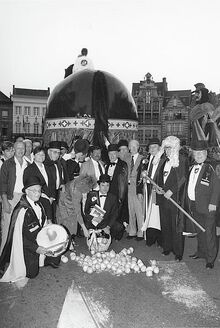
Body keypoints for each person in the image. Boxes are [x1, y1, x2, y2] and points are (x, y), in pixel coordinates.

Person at [0, 176, 60, 286]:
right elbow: (19, 238)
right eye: (34, 191)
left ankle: (45, 258)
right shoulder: (22, 211)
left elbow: (43, 224)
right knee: (32, 273)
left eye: (39, 190)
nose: (38, 194)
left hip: (38, 239)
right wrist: (36, 248)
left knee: (56, 258)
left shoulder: (39, 204)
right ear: (27, 192)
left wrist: (51, 237)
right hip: (26, 247)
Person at [181, 140, 220, 269]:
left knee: (209, 233)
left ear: (206, 153)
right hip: (195, 205)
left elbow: (217, 186)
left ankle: (210, 258)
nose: (198, 155)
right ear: (193, 154)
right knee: (200, 231)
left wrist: (213, 203)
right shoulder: (192, 167)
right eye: (196, 153)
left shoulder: (212, 167)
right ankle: (201, 252)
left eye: (201, 153)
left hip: (208, 206)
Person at [156, 136, 188, 261]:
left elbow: (183, 178)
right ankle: (167, 247)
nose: (167, 151)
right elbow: (160, 177)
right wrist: (158, 188)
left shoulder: (182, 160)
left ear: (175, 148)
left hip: (175, 199)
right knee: (165, 224)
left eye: (170, 148)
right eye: (166, 148)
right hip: (163, 198)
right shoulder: (163, 160)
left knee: (176, 226)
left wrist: (172, 191)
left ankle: (178, 252)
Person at [0, 141, 29, 254]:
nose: (21, 150)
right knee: (7, 229)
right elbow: (2, 184)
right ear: (14, 149)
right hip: (11, 198)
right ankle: (2, 258)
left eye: (23, 148)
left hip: (24, 199)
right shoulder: (8, 164)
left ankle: (15, 257)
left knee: (21, 229)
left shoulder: (28, 164)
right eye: (18, 148)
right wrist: (5, 202)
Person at [137, 138, 165, 247]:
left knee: (158, 216)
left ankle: (160, 239)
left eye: (155, 147)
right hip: (147, 190)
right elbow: (140, 176)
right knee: (148, 214)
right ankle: (150, 237)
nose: (152, 149)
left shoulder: (164, 160)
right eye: (150, 147)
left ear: (159, 148)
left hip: (157, 190)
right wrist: (140, 190)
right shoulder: (145, 160)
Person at [58, 175, 97, 239]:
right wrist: (84, 229)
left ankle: (70, 240)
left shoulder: (78, 181)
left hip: (66, 198)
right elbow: (78, 212)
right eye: (89, 188)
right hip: (66, 204)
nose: (89, 190)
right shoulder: (76, 192)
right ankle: (68, 243)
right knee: (69, 223)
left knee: (71, 223)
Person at [23, 146, 54, 221]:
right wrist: (42, 195)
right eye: (38, 154)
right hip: (38, 199)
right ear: (33, 156)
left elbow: (52, 183)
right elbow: (27, 185)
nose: (41, 157)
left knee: (49, 221)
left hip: (50, 199)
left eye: (43, 155)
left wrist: (52, 197)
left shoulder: (48, 168)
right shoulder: (29, 169)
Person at [83, 174, 119, 238]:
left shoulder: (113, 197)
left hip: (105, 222)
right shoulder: (91, 195)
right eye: (103, 185)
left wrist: (108, 226)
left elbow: (115, 214)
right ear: (99, 185)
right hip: (93, 221)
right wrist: (93, 218)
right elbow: (86, 211)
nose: (105, 188)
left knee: (118, 227)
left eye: (107, 185)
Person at [105, 144, 128, 240]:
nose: (112, 156)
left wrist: (121, 197)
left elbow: (123, 182)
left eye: (114, 154)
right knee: (110, 214)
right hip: (109, 194)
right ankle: (110, 233)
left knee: (118, 215)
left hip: (118, 194)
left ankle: (118, 235)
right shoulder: (106, 165)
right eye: (110, 154)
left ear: (117, 154)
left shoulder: (123, 164)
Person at [127, 140, 145, 241]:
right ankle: (132, 231)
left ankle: (141, 232)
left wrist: (141, 191)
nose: (133, 149)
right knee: (131, 210)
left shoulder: (143, 159)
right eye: (131, 147)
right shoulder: (127, 158)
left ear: (138, 147)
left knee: (139, 210)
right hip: (128, 188)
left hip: (137, 187)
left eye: (135, 147)